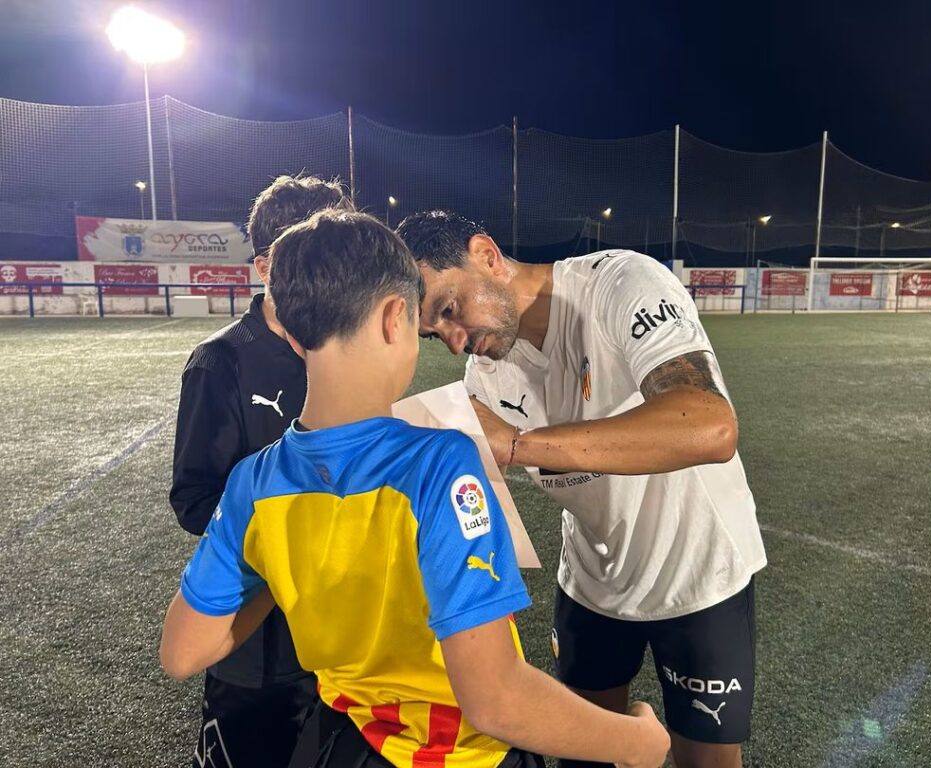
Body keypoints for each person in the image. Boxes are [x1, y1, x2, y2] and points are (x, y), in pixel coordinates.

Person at [159, 210, 670, 768]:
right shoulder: (440, 464)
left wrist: (291, 564)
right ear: (394, 316)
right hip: (460, 756)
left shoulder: (253, 483)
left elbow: (185, 651)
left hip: (342, 746)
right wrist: (636, 742)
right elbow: (496, 700)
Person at [395, 210, 767, 768]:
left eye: (450, 310)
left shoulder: (621, 284)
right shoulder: (485, 376)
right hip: (592, 583)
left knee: (706, 761)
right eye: (435, 333)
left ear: (487, 255)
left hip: (699, 577)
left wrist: (518, 445)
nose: (454, 342)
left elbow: (710, 426)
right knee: (584, 755)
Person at [169, 174, 353, 767]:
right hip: (258, 655)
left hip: (345, 642)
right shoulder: (221, 362)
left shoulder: (343, 352)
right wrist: (287, 541)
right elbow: (195, 498)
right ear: (265, 265)